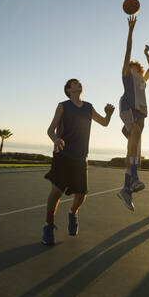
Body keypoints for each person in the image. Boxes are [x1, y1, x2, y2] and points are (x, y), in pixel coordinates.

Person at [42, 78, 115, 244]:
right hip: (63, 155)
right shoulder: (63, 106)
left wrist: (109, 114)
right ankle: (48, 226)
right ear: (69, 89)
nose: (79, 84)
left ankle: (73, 213)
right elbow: (50, 129)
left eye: (80, 83)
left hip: (81, 156)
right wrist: (55, 139)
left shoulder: (88, 107)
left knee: (81, 194)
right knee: (56, 192)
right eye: (75, 83)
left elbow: (104, 123)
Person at [117, 15, 149, 212]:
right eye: (130, 65)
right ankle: (135, 178)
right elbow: (127, 50)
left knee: (133, 148)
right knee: (133, 140)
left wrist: (147, 53)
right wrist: (131, 30)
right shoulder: (126, 75)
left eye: (135, 65)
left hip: (141, 113)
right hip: (127, 108)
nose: (132, 66)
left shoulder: (141, 79)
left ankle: (126, 189)